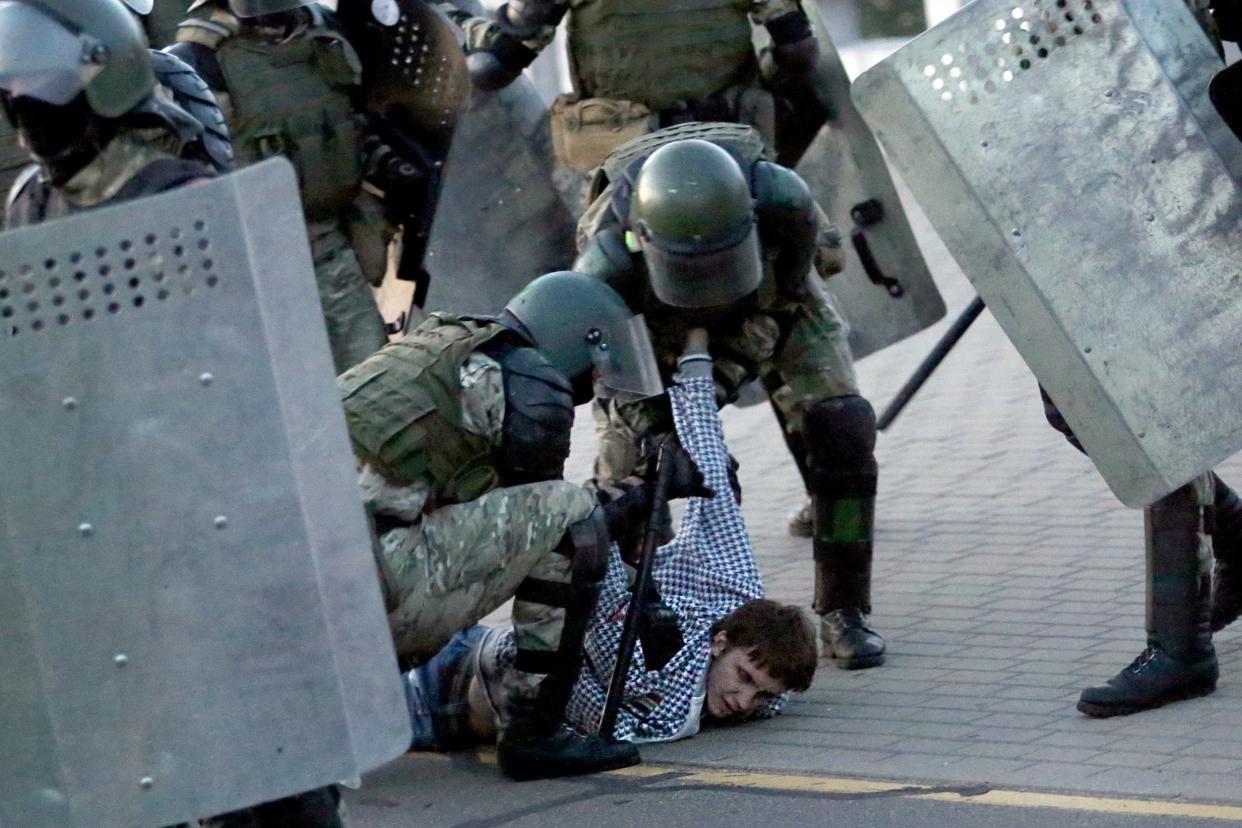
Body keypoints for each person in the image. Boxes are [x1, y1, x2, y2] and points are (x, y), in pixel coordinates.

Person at [338, 270, 713, 779]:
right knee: (570, 512)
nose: (595, 383)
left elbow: (499, 521)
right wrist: (648, 491)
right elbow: (568, 532)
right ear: (583, 339)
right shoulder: (530, 388)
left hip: (325, 576)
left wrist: (642, 597)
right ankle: (535, 732)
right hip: (370, 582)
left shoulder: (446, 348)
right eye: (599, 369)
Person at [401, 330, 817, 749]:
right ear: (720, 643)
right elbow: (706, 476)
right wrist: (694, 355)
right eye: (743, 677)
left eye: (763, 693)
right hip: (451, 686)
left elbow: (715, 489)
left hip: (488, 688)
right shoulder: (674, 650)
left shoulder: (752, 646)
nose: (744, 702)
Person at [566, 123, 884, 671]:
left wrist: (724, 375)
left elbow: (786, 303)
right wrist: (676, 437)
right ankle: (636, 615)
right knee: (634, 473)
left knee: (844, 426)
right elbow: (616, 384)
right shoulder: (605, 270)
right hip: (651, 324)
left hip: (768, 293)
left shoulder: (785, 207)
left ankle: (844, 606)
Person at [169, 0, 394, 373]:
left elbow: (352, 122)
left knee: (378, 387)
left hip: (335, 249)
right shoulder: (197, 61)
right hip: (259, 273)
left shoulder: (324, 33)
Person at [447, 0, 822, 195]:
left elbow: (498, 65)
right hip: (732, 154)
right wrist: (753, 92)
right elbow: (799, 51)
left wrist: (461, 24)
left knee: (596, 284)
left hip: (624, 166)